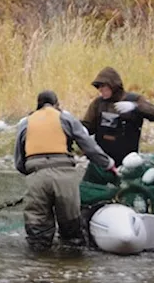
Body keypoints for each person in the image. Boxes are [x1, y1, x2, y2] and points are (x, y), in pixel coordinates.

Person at [14, 90, 115, 250]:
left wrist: (32, 174)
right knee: (71, 230)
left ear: (38, 105)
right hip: (64, 176)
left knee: (37, 232)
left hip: (36, 176)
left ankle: (38, 267)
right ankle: (69, 267)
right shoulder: (65, 118)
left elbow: (19, 160)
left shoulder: (26, 122)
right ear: (56, 104)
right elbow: (88, 145)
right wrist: (108, 164)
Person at [81, 67, 154, 167]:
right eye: (98, 87)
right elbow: (88, 126)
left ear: (113, 85)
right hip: (102, 158)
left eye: (103, 86)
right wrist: (79, 128)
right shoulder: (98, 103)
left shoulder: (134, 99)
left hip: (127, 159)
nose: (100, 89)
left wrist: (135, 106)